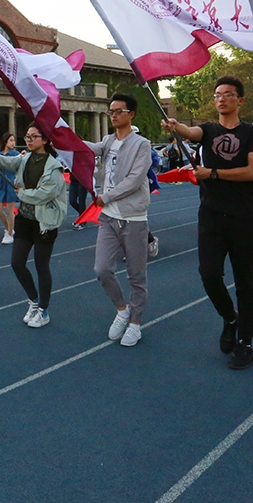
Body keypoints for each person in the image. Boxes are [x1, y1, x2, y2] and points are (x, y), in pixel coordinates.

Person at [163, 75, 253, 369]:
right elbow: (190, 131)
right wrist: (176, 126)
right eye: (217, 94)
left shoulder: (252, 132)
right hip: (211, 216)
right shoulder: (208, 129)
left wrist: (214, 174)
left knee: (245, 281)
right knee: (209, 275)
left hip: (243, 216)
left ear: (239, 100)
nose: (221, 99)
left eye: (227, 94)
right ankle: (230, 318)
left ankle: (246, 343)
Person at [0, 124, 67, 328]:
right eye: (27, 136)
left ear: (45, 140)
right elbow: (10, 162)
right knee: (17, 263)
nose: (28, 140)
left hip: (45, 222)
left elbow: (45, 194)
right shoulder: (25, 158)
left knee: (41, 266)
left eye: (33, 136)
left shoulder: (54, 166)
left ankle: (44, 310)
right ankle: (34, 300)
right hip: (25, 219)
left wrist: (22, 194)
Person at [85, 92, 153, 347]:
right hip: (109, 218)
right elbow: (87, 148)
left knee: (136, 275)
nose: (113, 115)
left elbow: (135, 180)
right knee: (102, 269)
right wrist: (60, 135)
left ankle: (135, 323)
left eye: (118, 111)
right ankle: (122, 309)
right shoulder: (108, 141)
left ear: (130, 114)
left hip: (133, 218)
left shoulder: (142, 144)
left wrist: (107, 196)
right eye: (110, 111)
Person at [0, 133, 20, 244]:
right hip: (1, 184)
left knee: (10, 211)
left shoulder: (16, 155)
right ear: (5, 142)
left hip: (11, 184)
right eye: (11, 140)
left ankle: (9, 234)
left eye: (14, 140)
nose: (13, 143)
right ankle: (9, 228)